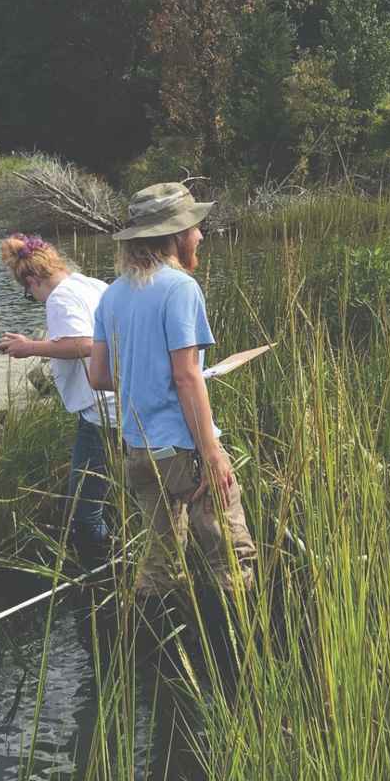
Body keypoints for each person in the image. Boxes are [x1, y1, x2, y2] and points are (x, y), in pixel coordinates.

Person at [86, 183, 255, 598]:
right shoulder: (180, 288)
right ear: (175, 236)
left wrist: (147, 379)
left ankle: (144, 648)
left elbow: (99, 376)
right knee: (231, 560)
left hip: (140, 453)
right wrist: (212, 455)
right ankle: (240, 653)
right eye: (195, 227)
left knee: (161, 564)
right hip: (184, 452)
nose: (199, 235)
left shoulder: (113, 293)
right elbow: (186, 377)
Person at [0, 233, 117, 562]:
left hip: (99, 412)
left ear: (32, 280)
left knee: (84, 511)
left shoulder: (59, 299)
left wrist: (29, 347)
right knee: (113, 493)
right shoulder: (90, 284)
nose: (31, 298)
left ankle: (102, 572)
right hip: (121, 404)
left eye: (28, 293)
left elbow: (84, 343)